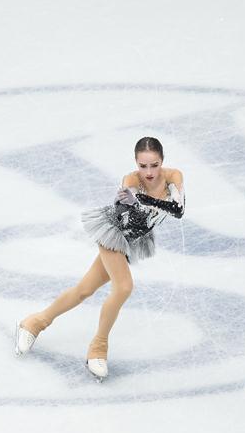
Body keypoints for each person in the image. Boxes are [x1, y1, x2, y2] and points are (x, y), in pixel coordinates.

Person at [14, 136, 186, 382]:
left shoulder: (174, 177)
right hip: (113, 234)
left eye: (154, 165)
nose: (149, 171)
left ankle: (34, 322)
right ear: (136, 163)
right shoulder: (130, 181)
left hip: (133, 241)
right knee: (124, 287)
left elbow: (179, 210)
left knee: (84, 290)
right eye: (143, 165)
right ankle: (98, 347)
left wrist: (143, 200)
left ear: (162, 161)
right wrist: (138, 200)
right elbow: (129, 213)